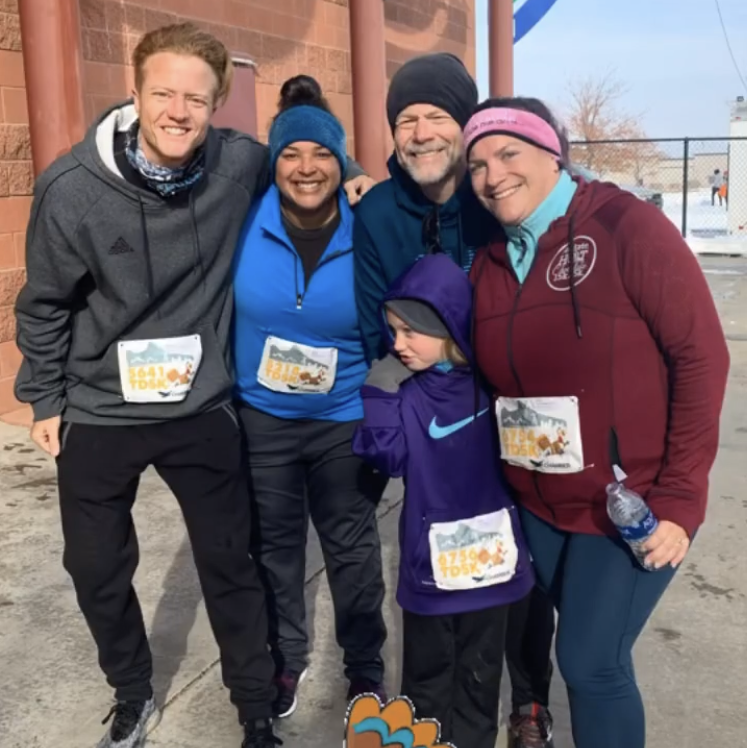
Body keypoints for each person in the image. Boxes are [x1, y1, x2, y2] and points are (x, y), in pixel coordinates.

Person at [13, 23, 372, 748]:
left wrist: (356, 172)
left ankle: (254, 710)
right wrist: (44, 396)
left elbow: (309, 153)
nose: (179, 112)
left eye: (197, 100)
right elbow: (44, 304)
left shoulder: (236, 164)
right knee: (94, 566)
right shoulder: (71, 189)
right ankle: (131, 689)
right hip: (100, 405)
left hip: (199, 404)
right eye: (164, 94)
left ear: (216, 106)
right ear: (135, 93)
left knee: (231, 562)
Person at [465, 97, 730, 748]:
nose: (493, 175)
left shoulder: (624, 225)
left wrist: (681, 495)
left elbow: (700, 356)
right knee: (593, 649)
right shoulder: (491, 258)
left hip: (629, 501)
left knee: (589, 662)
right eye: (476, 165)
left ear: (552, 154)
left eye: (508, 153)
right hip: (538, 502)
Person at [353, 53, 557, 747]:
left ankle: (528, 698)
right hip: (426, 395)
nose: (420, 133)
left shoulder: (492, 192)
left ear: (465, 125)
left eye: (437, 116)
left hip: (507, 388)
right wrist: (403, 381)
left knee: (520, 557)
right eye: (405, 119)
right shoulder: (377, 210)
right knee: (440, 573)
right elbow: (372, 320)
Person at [232, 74, 388, 720]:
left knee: (351, 552)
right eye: (291, 154)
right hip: (262, 419)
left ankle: (365, 668)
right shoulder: (243, 216)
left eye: (322, 154)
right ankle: (286, 658)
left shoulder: (368, 223)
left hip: (341, 419)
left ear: (340, 161)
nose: (305, 167)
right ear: (273, 163)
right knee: (275, 547)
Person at [351, 253, 535, 748]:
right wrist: (378, 393)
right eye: (393, 330)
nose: (397, 343)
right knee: (426, 685)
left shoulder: (494, 387)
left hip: (492, 570)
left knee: (479, 682)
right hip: (430, 570)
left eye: (411, 331)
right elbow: (386, 457)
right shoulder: (405, 393)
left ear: (449, 326)